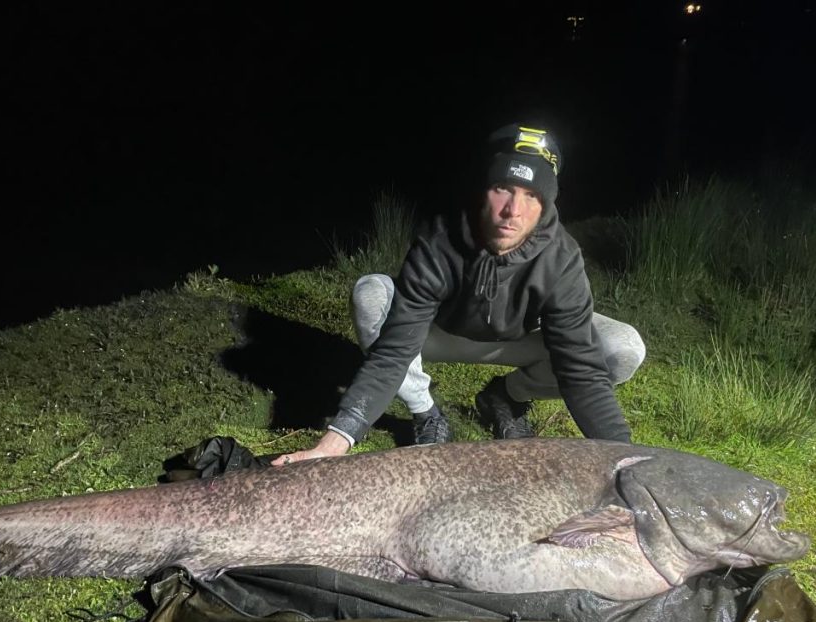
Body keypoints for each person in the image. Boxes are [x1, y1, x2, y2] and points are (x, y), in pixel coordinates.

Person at [272, 121, 645, 466]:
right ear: (483, 188)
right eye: (503, 189)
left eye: (531, 195)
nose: (512, 210)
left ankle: (507, 396)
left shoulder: (562, 259)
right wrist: (333, 443)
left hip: (518, 341)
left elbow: (581, 372)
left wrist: (627, 462)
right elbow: (393, 353)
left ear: (547, 203)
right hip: (438, 336)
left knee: (622, 346)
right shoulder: (439, 240)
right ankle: (426, 412)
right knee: (371, 293)